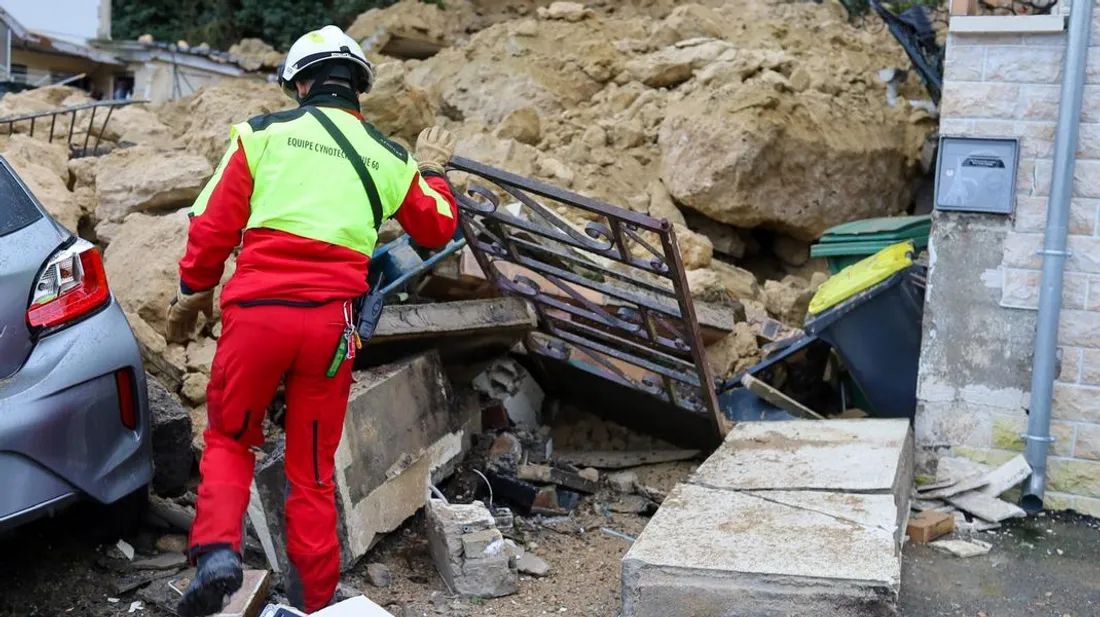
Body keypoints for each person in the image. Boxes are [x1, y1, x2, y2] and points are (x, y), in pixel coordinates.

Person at [165, 25, 459, 616]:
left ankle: (219, 553)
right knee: (312, 470)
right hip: (332, 330)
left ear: (300, 83)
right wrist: (432, 172)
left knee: (229, 437)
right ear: (357, 88)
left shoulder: (261, 136)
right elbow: (437, 229)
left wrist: (193, 292)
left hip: (257, 320)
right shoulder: (390, 157)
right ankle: (314, 602)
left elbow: (210, 229)